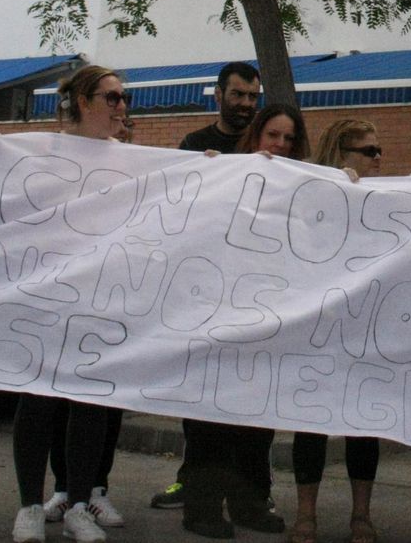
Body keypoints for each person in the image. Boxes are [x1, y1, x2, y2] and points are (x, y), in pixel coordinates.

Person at [178, 103, 307, 540]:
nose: (281, 145)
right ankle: (202, 507)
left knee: (255, 423)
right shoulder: (227, 174)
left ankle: (250, 503)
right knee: (209, 420)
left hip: (266, 321)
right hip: (215, 317)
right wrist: (209, 177)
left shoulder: (303, 189)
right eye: (273, 135)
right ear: (256, 136)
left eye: (290, 139)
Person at [14, 66, 131, 543]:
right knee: (37, 401)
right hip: (47, 297)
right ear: (84, 102)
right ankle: (28, 507)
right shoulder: (43, 153)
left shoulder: (131, 159)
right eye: (113, 97)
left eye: (125, 97)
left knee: (90, 404)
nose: (122, 106)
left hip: (100, 302)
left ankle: (80, 502)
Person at [154, 63, 274, 518]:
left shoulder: (267, 147)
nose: (246, 103)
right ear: (218, 94)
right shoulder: (193, 146)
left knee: (254, 412)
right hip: (204, 299)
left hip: (257, 300)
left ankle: (251, 499)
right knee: (202, 408)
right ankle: (196, 491)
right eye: (238, 94)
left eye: (252, 96)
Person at [288, 118, 385, 543]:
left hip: (364, 331)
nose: (379, 159)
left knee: (363, 425)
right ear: (342, 154)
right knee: (309, 423)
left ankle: (361, 515)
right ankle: (305, 515)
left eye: (379, 150)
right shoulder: (309, 193)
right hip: (318, 330)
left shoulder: (384, 198)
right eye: (369, 151)